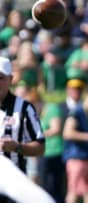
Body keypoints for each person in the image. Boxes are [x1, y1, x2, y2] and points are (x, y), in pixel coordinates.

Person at [0, 56, 45, 202]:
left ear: (10, 79)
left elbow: (40, 147)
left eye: (0, 77)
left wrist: (17, 147)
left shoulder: (24, 108)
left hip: (13, 183)